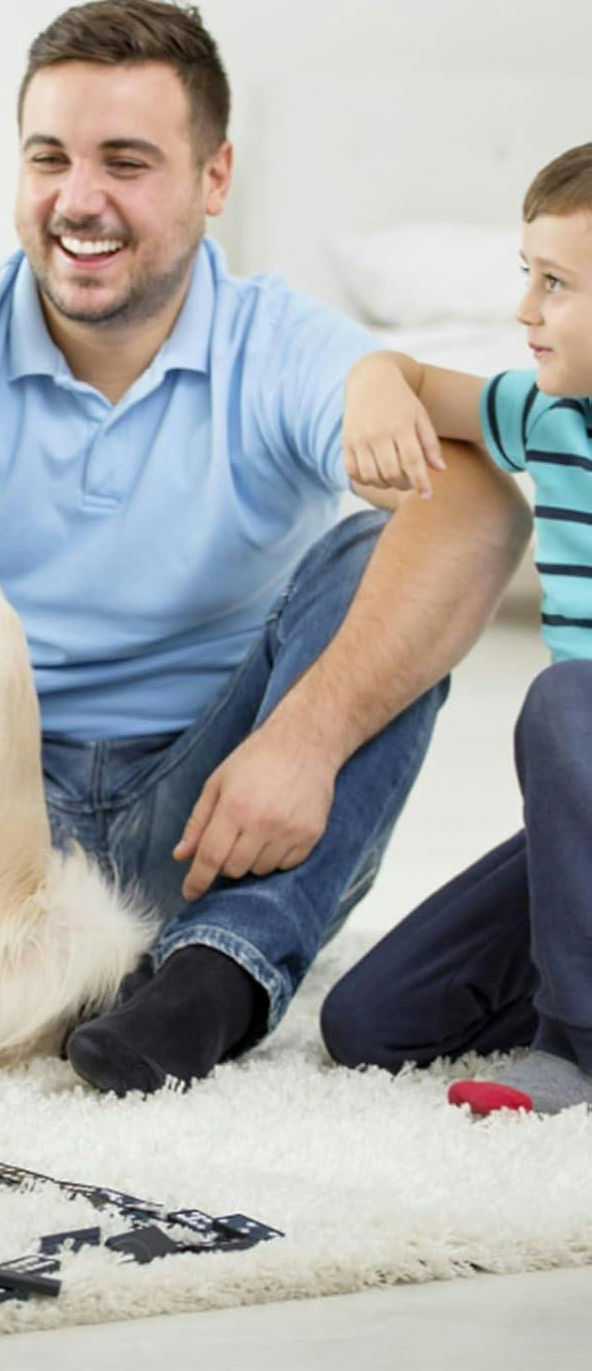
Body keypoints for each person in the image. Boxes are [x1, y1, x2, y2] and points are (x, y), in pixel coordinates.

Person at [0, 0, 531, 1095]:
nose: (79, 201)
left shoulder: (281, 340)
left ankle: (209, 982)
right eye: (49, 158)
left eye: (127, 163)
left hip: (215, 825)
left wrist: (304, 740)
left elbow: (486, 509)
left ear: (215, 180)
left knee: (376, 567)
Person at [319, 143, 592, 1117]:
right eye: (527, 275)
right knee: (371, 1025)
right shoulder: (545, 413)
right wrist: (376, 384)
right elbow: (408, 375)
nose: (523, 310)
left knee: (567, 694)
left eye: (553, 283)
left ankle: (578, 1045)